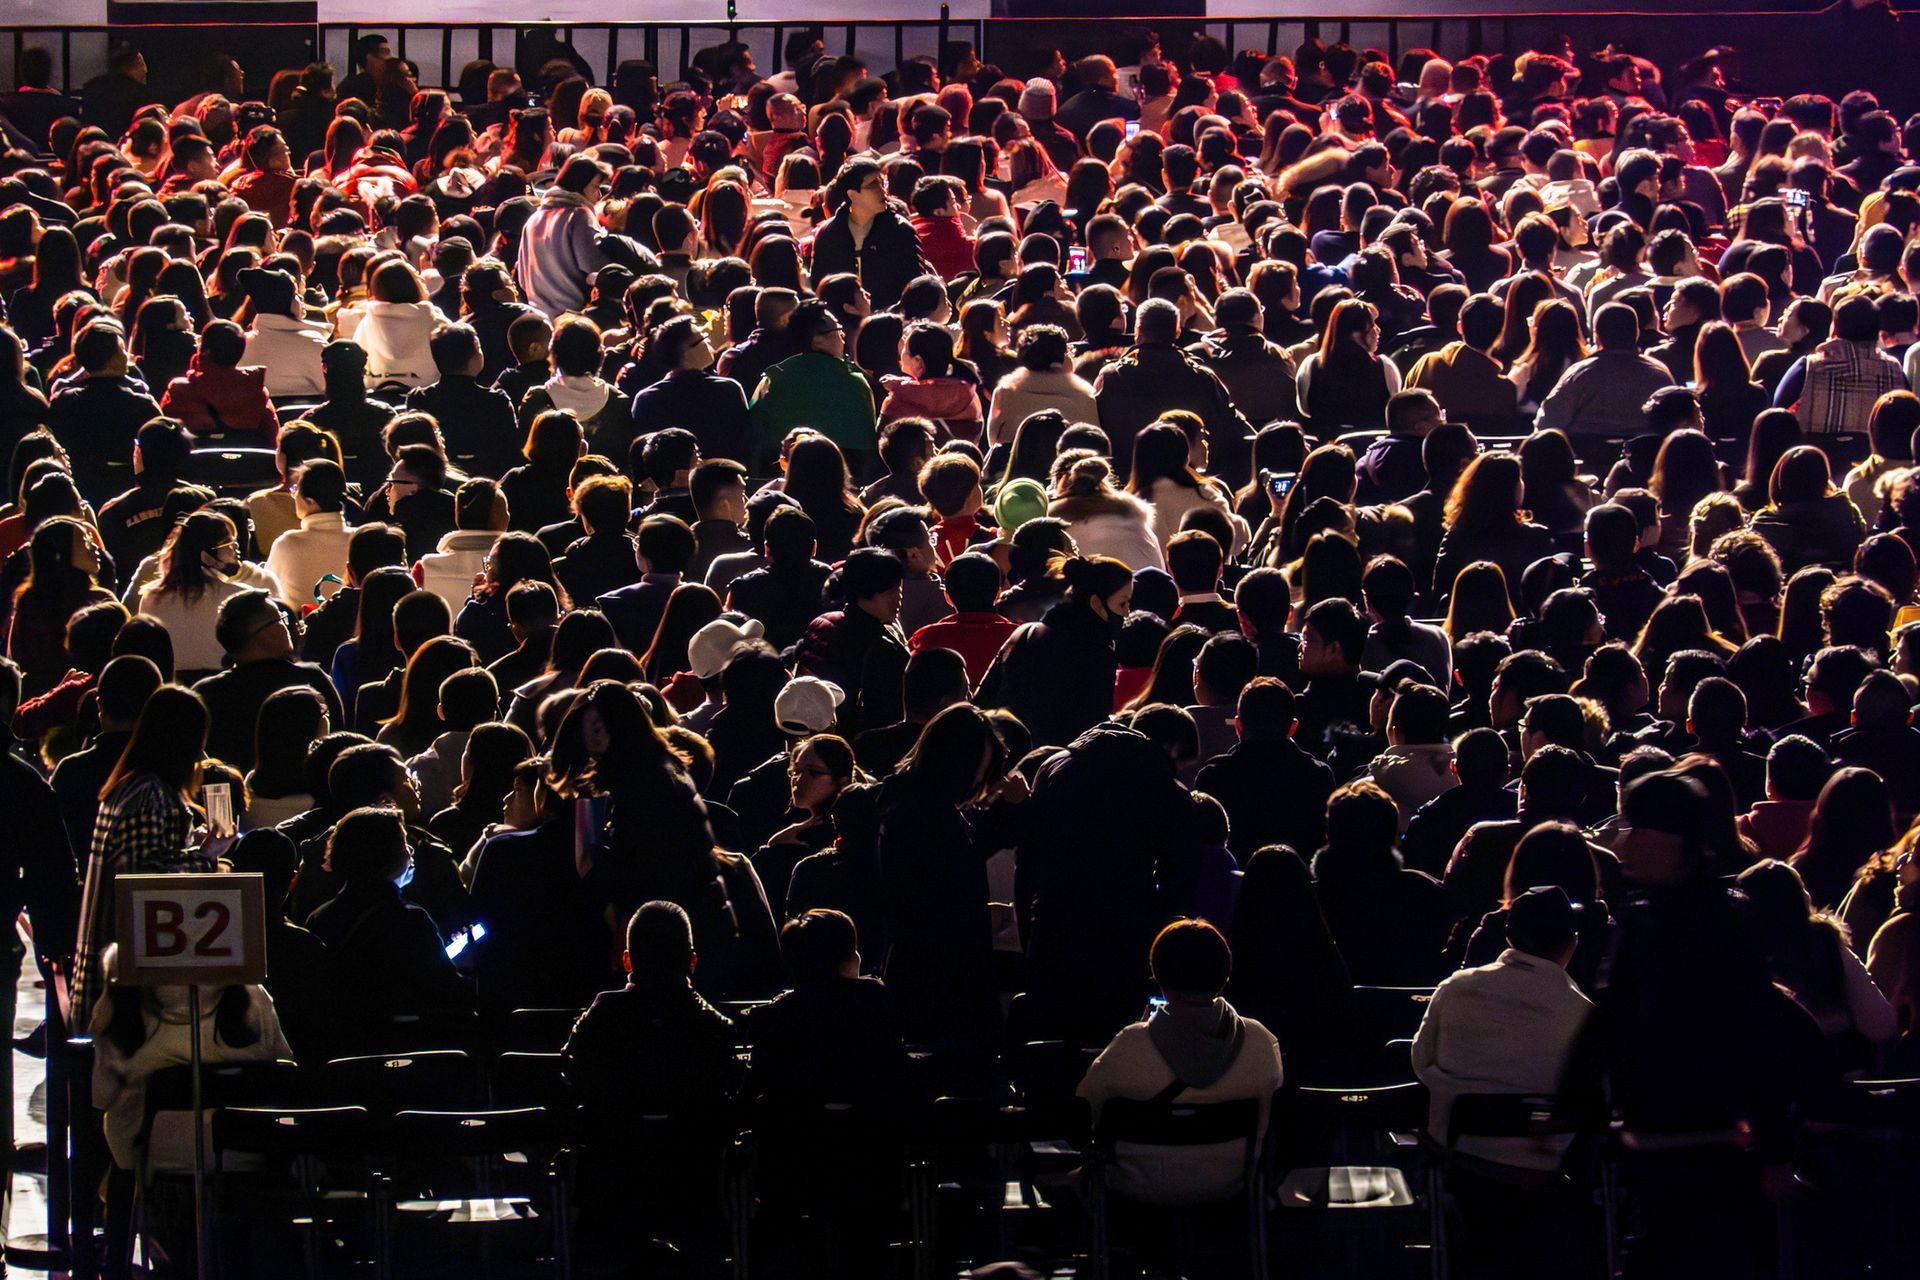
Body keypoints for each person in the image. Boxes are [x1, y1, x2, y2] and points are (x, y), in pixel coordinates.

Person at [1413, 885, 1594, 1278]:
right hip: (1542, 1169)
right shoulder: (1582, 1015)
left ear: (1509, 936)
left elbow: (1421, 1060)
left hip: (1460, 1158)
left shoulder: (1456, 988)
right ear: (1571, 943)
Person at [1076, 919, 1284, 1204]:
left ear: (1159, 976)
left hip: (1136, 1185)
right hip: (1233, 1184)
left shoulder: (1130, 1044)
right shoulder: (1261, 1042)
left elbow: (1086, 1108)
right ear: (1225, 973)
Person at [190, 589, 344, 771]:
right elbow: (339, 737)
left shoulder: (205, 693)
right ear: (264, 633)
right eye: (282, 619)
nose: (288, 627)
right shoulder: (308, 678)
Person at [808, 158, 932, 310]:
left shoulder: (900, 230)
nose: (882, 190)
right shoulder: (829, 234)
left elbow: (916, 284)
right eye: (873, 184)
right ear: (852, 194)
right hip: (843, 321)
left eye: (882, 182)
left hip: (890, 321)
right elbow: (819, 285)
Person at [265, 459, 353, 607]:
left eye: (295, 490)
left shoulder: (287, 544)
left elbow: (268, 591)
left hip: (301, 626)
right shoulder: (360, 539)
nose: (293, 496)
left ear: (310, 501)